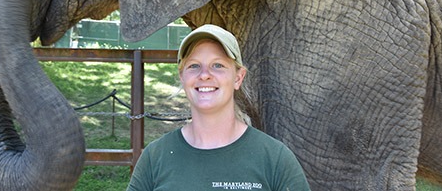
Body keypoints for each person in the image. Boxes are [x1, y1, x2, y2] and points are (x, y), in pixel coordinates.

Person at [127, 24, 311, 191]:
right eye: (194, 66)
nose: (205, 75)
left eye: (218, 65)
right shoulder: (155, 157)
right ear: (182, 77)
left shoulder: (275, 159)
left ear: (238, 78)